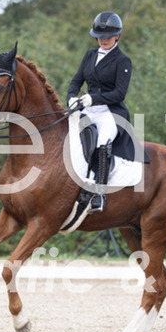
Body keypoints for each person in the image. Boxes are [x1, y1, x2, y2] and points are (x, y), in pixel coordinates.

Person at [67, 11, 138, 213]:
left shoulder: (122, 61)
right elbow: (76, 81)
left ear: (117, 36)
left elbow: (120, 93)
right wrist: (71, 97)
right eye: (100, 36)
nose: (104, 40)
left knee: (102, 141)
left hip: (111, 112)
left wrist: (94, 98)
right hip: (87, 108)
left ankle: (98, 193)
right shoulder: (90, 55)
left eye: (108, 36)